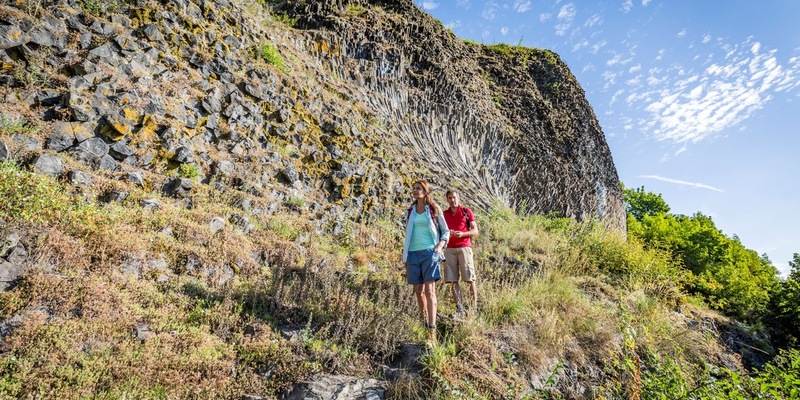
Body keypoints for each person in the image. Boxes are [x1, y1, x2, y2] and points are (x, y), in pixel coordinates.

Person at [402, 180, 449, 347]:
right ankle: (424, 326)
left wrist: (439, 247)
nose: (415, 191)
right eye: (413, 188)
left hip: (430, 252)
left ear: (425, 191)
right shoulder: (410, 211)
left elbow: (445, 231)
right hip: (413, 254)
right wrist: (405, 258)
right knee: (418, 292)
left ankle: (432, 332)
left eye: (418, 188)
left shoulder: (434, 209)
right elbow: (407, 235)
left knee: (430, 291)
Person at [443, 189, 478, 318]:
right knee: (452, 280)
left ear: (459, 198)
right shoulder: (444, 214)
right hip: (449, 249)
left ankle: (474, 309)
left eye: (455, 197)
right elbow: (439, 230)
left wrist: (463, 234)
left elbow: (475, 231)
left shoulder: (466, 212)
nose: (453, 200)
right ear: (447, 200)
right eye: (450, 198)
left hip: (464, 247)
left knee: (470, 278)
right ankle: (460, 308)